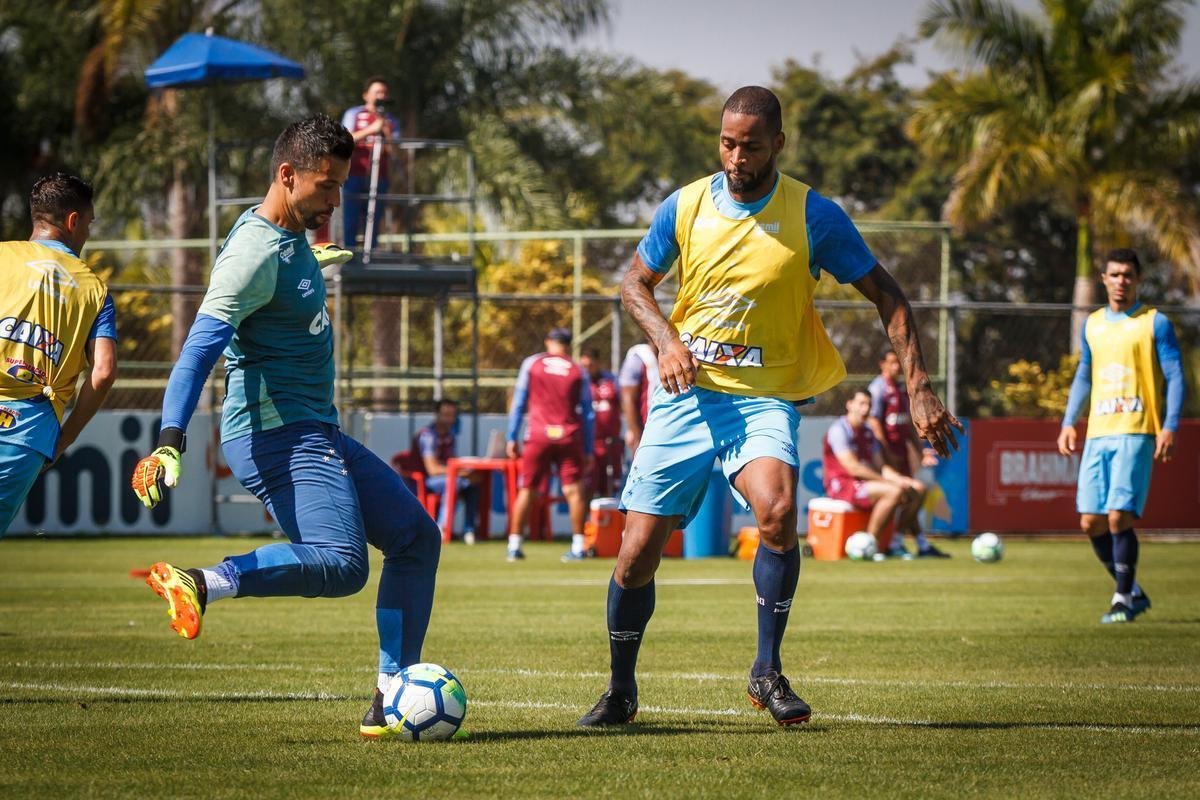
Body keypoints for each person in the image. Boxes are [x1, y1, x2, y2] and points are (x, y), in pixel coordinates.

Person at [576, 86, 961, 728]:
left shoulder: (814, 215)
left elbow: (888, 294)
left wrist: (919, 382)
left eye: (750, 146)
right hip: (685, 398)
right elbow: (633, 284)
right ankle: (620, 690)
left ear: (778, 144)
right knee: (635, 552)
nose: (735, 157)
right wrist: (667, 340)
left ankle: (767, 670)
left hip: (763, 399)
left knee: (780, 511)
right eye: (727, 143)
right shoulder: (688, 204)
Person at [129, 114, 441, 739]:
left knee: (416, 539)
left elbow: (283, 268)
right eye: (325, 188)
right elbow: (198, 349)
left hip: (312, 430)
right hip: (276, 433)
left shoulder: (290, 234)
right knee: (343, 564)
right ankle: (203, 582)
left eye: (341, 189)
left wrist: (308, 263)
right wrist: (169, 438)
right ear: (286, 174)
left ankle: (389, 697)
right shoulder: (252, 255)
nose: (334, 202)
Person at [1057, 248, 1184, 624]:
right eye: (1114, 274)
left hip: (1136, 430)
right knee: (1090, 522)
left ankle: (1122, 598)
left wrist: (1170, 425)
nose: (1121, 281)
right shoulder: (1093, 324)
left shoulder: (1154, 322)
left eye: (1128, 274)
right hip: (1098, 433)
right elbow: (1084, 375)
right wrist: (1069, 421)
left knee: (1118, 517)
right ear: (1104, 279)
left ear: (1137, 279)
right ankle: (1133, 590)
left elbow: (1175, 375)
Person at [0, 172, 118, 534]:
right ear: (72, 221)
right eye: (88, 223)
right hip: (27, 430)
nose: (87, 233)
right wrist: (64, 439)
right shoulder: (94, 290)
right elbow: (103, 372)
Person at [505, 327, 595, 562]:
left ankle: (514, 545)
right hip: (568, 436)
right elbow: (588, 413)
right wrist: (587, 449)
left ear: (548, 342)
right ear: (569, 345)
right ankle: (578, 546)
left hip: (538, 435)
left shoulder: (532, 364)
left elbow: (519, 402)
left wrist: (512, 436)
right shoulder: (578, 370)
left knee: (527, 490)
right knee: (574, 491)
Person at [866, 349, 948, 558]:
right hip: (886, 459)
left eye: (898, 363)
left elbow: (909, 427)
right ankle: (894, 544)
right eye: (892, 362)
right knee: (911, 494)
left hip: (901, 455)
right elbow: (874, 421)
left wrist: (921, 451)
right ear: (882, 364)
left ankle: (917, 545)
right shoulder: (878, 389)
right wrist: (885, 453)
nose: (896, 367)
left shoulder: (902, 389)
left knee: (913, 496)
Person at [825, 389, 924, 557]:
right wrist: (891, 483)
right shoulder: (839, 430)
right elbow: (853, 468)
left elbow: (882, 466)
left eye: (869, 405)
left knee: (917, 489)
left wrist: (901, 479)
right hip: (842, 485)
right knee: (894, 491)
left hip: (866, 484)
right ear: (849, 405)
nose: (866, 409)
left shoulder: (868, 432)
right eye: (861, 404)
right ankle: (870, 546)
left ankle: (895, 543)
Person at [340, 76, 400, 249]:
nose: (381, 96)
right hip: (353, 176)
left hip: (380, 178)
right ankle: (350, 257)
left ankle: (371, 256)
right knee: (350, 220)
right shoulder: (354, 114)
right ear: (366, 95)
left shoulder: (391, 121)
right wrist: (371, 130)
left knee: (373, 220)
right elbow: (345, 139)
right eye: (377, 92)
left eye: (384, 93)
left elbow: (396, 152)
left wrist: (386, 132)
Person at [416, 398, 481, 544]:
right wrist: (459, 472)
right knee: (455, 482)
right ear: (437, 415)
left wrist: (465, 472)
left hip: (448, 477)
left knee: (473, 484)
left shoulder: (450, 436)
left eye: (452, 415)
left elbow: (452, 461)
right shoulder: (428, 436)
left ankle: (469, 530)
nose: (449, 419)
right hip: (428, 481)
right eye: (445, 414)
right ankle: (441, 528)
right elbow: (432, 469)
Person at [579, 347, 623, 497]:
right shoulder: (579, 383)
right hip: (589, 446)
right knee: (585, 490)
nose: (587, 369)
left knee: (610, 489)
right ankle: (584, 521)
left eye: (590, 365)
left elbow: (625, 404)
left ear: (598, 363)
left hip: (611, 445)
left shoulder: (612, 381)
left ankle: (608, 521)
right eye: (583, 366)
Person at [618, 341, 658, 455]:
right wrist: (636, 434)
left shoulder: (669, 354)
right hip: (645, 430)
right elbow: (627, 398)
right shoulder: (639, 356)